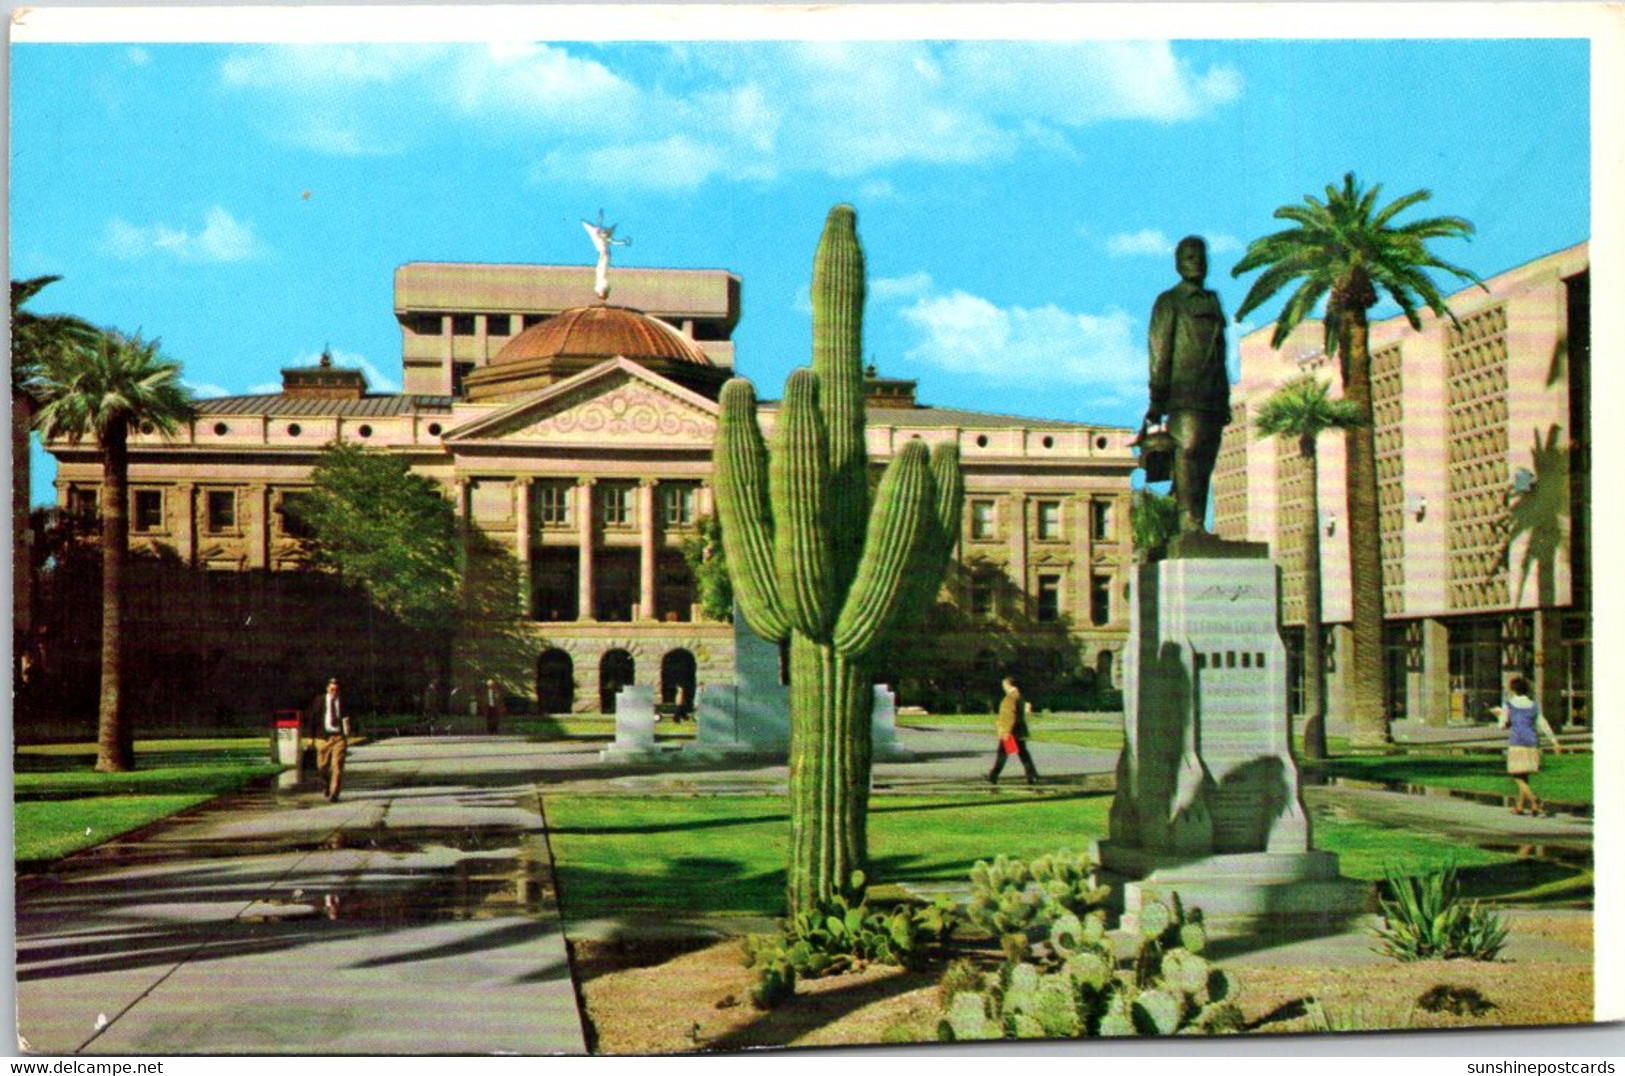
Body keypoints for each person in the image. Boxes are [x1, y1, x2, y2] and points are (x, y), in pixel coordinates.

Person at [1146, 235, 1231, 536]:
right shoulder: (1169, 301)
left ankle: (1195, 522)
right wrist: (1157, 397)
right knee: (1188, 451)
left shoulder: (1213, 301)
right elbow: (1160, 349)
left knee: (1205, 461)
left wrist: (1226, 399)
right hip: (1183, 395)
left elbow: (1222, 352)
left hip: (1212, 397)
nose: (1196, 262)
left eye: (1201, 257)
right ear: (1178, 264)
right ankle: (1187, 519)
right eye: (1189, 257)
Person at [1493, 675, 1563, 816]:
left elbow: (1501, 726)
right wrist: (1554, 741)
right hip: (1532, 743)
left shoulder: (1509, 705)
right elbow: (1543, 724)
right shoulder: (1533, 705)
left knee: (1516, 774)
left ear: (1513, 690)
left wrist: (1499, 714)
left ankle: (1533, 798)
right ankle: (1521, 806)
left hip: (1517, 742)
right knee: (1524, 775)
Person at [989, 676, 1039, 786]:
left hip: (1010, 731)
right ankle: (1032, 775)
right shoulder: (1019, 696)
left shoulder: (1010, 698)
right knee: (1022, 753)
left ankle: (993, 775)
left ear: (1008, 684)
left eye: (1004, 685)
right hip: (1018, 730)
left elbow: (1010, 715)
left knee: (1003, 754)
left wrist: (1006, 731)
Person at [310, 678, 348, 802]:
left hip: (339, 737)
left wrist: (348, 730)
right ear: (327, 689)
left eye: (336, 689)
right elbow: (313, 719)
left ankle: (334, 794)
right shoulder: (319, 700)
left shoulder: (343, 701)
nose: (334, 691)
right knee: (322, 766)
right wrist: (311, 738)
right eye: (332, 689)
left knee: (337, 766)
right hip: (323, 738)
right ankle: (325, 784)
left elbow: (349, 717)